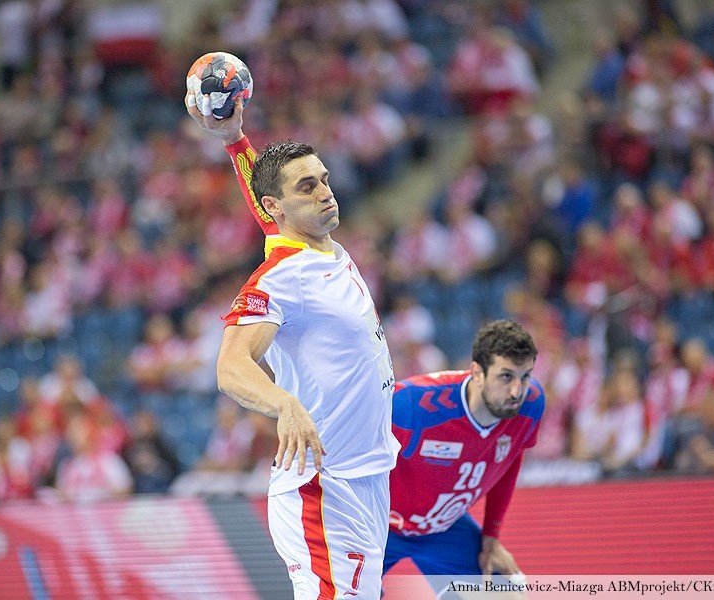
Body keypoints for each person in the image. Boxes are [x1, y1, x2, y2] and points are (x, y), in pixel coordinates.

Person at [186, 93, 399, 598]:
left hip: (367, 478)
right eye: (308, 187)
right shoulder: (281, 277)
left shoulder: (312, 244)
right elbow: (231, 367)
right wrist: (284, 405)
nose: (326, 193)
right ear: (279, 206)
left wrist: (234, 139)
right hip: (323, 488)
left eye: (324, 179)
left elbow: (268, 206)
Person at [384, 320, 543, 593]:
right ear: (477, 372)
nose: (517, 391)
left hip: (444, 527)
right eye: (506, 376)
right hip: (378, 526)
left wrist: (491, 536)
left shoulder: (531, 404)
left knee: (506, 590)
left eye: (525, 376)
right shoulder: (410, 405)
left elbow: (509, 460)